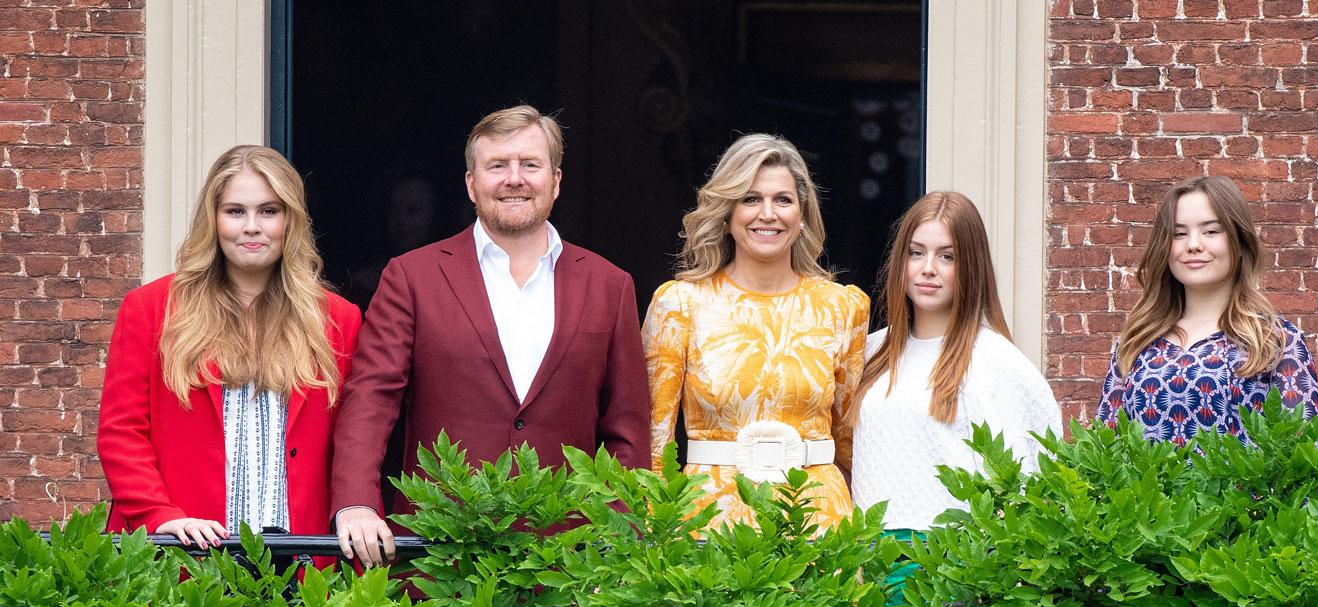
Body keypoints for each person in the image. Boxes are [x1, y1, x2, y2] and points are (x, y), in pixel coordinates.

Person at [332, 105, 651, 565]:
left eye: (530, 164)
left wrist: (621, 543)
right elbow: (371, 400)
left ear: (556, 180)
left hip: (566, 567)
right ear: (471, 184)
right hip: (439, 556)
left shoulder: (609, 285)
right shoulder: (411, 276)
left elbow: (627, 431)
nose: (514, 178)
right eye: (497, 165)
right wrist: (357, 502)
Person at [97, 145, 362, 548]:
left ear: (291, 221)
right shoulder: (150, 309)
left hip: (299, 557)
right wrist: (160, 516)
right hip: (182, 552)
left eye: (269, 211)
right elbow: (121, 432)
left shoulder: (338, 320)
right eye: (235, 211)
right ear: (213, 219)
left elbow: (354, 440)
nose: (252, 226)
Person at [642, 133, 869, 530]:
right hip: (709, 521)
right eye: (750, 198)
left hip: (817, 520)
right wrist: (655, 531)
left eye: (783, 200)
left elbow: (851, 442)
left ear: (802, 217)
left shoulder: (842, 307)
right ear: (727, 215)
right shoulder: (680, 304)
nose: (768, 213)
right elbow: (654, 443)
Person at [850, 191, 1061, 552]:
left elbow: (1033, 473)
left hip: (948, 556)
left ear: (971, 266)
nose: (927, 267)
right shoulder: (871, 352)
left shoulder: (995, 360)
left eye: (946, 256)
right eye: (916, 253)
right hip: (867, 553)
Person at [1096, 175, 1318, 444]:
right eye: (1179, 234)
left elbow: (1307, 452)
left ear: (1239, 242)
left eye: (1211, 231)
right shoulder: (1136, 343)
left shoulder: (1276, 341)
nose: (1193, 244)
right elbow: (1103, 453)